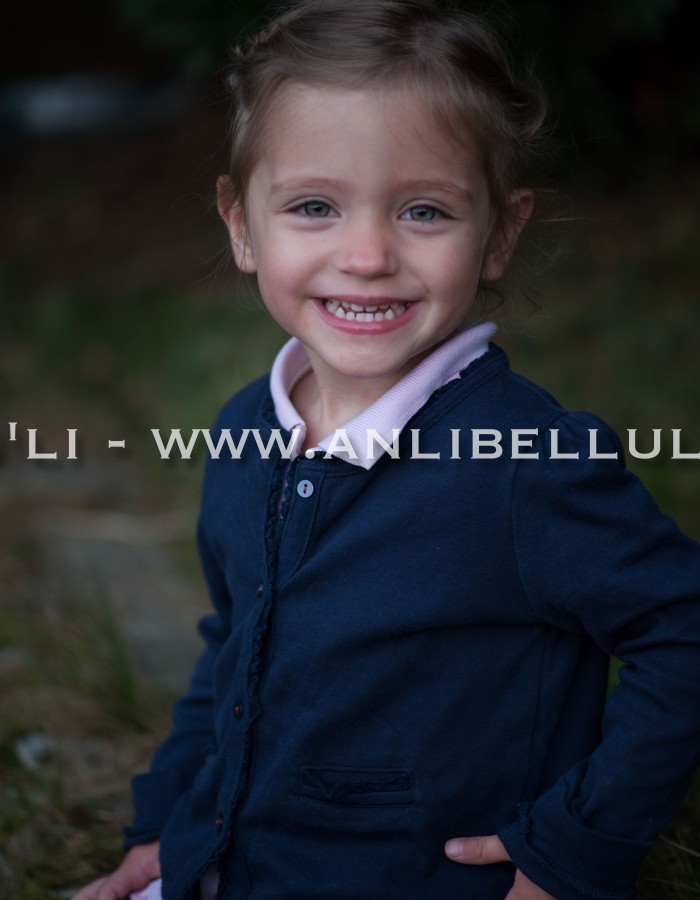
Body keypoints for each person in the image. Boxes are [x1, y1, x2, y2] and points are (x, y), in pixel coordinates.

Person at [73, 1, 700, 898]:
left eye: (424, 211)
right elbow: (234, 649)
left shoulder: (525, 463)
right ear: (241, 225)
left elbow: (685, 632)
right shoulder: (246, 428)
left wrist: (573, 849)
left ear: (500, 232)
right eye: (315, 206)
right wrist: (165, 826)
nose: (367, 255)